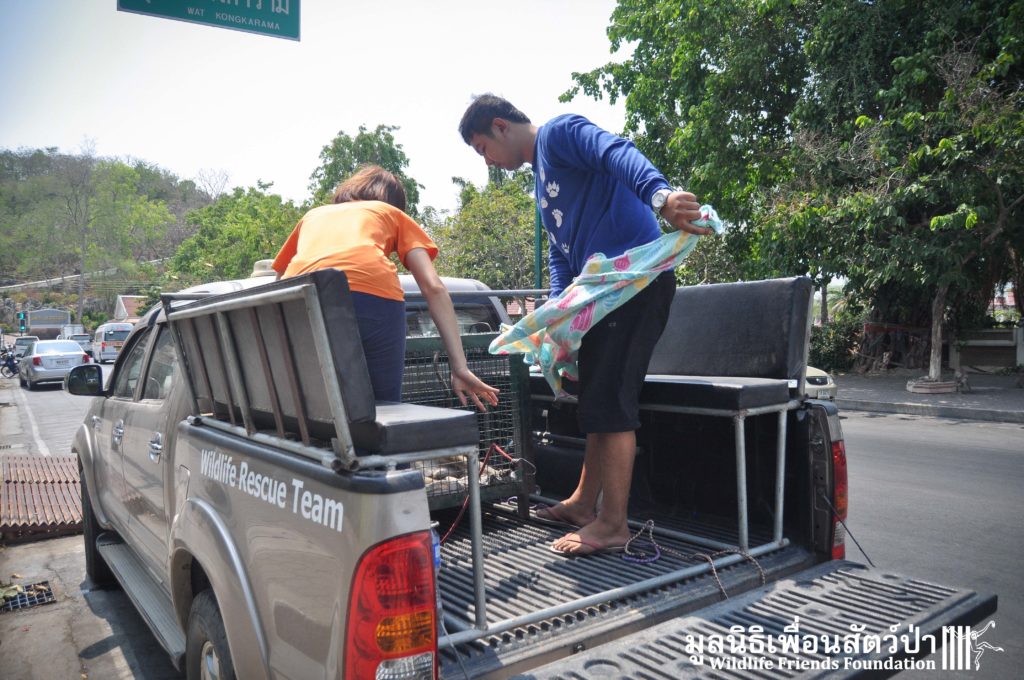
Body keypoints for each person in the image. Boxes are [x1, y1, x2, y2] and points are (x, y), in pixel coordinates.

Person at [459, 94, 711, 555]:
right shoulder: (541, 180)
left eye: (482, 149)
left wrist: (661, 196)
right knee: (595, 403)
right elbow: (562, 253)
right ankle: (581, 504)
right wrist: (560, 312)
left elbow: (615, 152)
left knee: (611, 404)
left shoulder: (559, 133)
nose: (488, 161)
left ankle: (613, 524)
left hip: (631, 284)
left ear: (500, 126)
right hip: (598, 297)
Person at [272, 165, 499, 412]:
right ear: (394, 201)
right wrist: (459, 367)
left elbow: (279, 280)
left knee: (314, 404)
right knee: (384, 408)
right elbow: (433, 287)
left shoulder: (312, 216)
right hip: (373, 298)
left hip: (300, 302)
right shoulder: (390, 212)